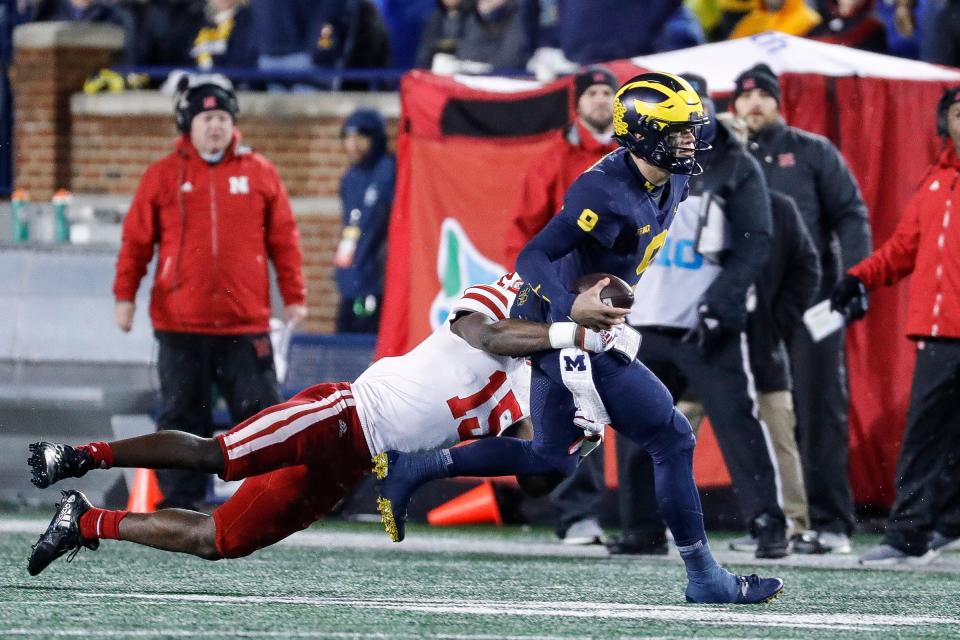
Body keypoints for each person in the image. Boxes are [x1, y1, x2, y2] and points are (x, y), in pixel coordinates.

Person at [373, 72, 784, 604]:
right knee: (673, 437)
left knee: (550, 458)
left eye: (692, 129)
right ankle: (706, 578)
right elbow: (533, 256)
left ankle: (414, 467)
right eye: (680, 130)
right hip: (571, 335)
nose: (692, 140)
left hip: (585, 331)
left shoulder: (672, 176)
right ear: (643, 133)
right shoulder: (602, 190)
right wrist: (572, 309)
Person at [26, 273, 623, 575]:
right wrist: (571, 336)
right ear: (575, 292)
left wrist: (579, 442)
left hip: (358, 464)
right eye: (603, 299)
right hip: (343, 415)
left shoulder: (542, 383)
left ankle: (87, 520)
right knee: (220, 453)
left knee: (220, 540)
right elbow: (488, 335)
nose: (607, 314)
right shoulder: (509, 296)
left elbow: (537, 477)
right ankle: (82, 455)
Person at [112, 74, 307, 512]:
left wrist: (294, 295)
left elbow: (285, 241)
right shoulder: (162, 176)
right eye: (205, 118)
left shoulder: (260, 172)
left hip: (245, 323)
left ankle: (271, 501)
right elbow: (136, 242)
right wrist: (124, 296)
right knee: (182, 417)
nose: (214, 126)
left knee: (262, 417)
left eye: (221, 117)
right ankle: (181, 503)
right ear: (188, 124)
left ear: (232, 121)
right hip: (180, 325)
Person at [612, 81, 788, 559]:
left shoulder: (734, 164)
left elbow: (755, 242)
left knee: (737, 424)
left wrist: (722, 306)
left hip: (705, 323)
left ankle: (769, 524)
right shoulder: (632, 164)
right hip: (644, 320)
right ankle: (640, 528)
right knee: (634, 427)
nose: (687, 133)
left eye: (693, 121)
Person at [733, 63, 871, 554]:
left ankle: (831, 523)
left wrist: (855, 276)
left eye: (763, 97)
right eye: (745, 98)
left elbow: (851, 213)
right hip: (750, 306)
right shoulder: (726, 157)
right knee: (752, 414)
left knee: (819, 408)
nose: (753, 105)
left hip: (813, 301)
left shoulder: (812, 151)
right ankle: (772, 523)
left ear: (778, 102)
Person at [833, 86, 960, 566]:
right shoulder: (935, 181)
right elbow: (904, 248)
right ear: (942, 122)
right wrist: (858, 276)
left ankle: (946, 526)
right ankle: (911, 537)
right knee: (927, 438)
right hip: (938, 334)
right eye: (957, 113)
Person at [505, 65, 618, 546]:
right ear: (577, 102)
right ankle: (577, 513)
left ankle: (640, 518)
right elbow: (524, 231)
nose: (599, 100)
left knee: (622, 400)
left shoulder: (632, 156)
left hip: (620, 298)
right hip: (563, 302)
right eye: (591, 92)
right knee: (576, 402)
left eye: (606, 93)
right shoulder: (554, 158)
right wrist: (532, 289)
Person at [334, 108, 396, 334]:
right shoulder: (350, 178)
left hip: (376, 284)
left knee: (367, 352)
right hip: (351, 282)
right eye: (348, 137)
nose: (353, 144)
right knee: (343, 351)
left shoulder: (389, 170)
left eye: (360, 137)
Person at [190, 0, 258, 70]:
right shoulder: (195, 16)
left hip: (229, 77)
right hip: (194, 76)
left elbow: (240, 61)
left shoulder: (246, 19)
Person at [415, 0, 473, 70]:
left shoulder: (473, 16)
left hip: (466, 65)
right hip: (439, 67)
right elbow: (426, 47)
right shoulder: (435, 17)